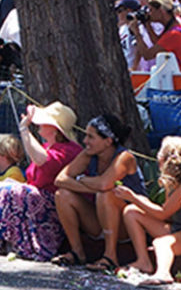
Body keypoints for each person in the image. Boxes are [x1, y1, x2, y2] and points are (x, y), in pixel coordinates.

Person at [0, 102, 83, 261]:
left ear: (53, 128)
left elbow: (42, 161)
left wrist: (24, 129)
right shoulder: (46, 145)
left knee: (12, 189)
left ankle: (30, 246)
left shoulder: (68, 149)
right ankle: (7, 242)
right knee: (2, 188)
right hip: (38, 197)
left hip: (55, 202)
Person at [49, 112, 143, 266]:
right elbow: (60, 180)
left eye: (91, 137)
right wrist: (90, 185)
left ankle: (110, 256)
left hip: (127, 225)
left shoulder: (125, 157)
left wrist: (81, 179)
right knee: (62, 194)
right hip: (99, 218)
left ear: (108, 141)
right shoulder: (88, 155)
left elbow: (104, 185)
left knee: (105, 195)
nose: (85, 141)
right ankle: (77, 252)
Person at [114, 137, 181, 286]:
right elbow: (167, 216)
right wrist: (135, 201)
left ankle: (163, 273)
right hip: (177, 227)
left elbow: (163, 213)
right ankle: (143, 261)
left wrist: (133, 197)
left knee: (161, 243)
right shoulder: (173, 182)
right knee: (131, 212)